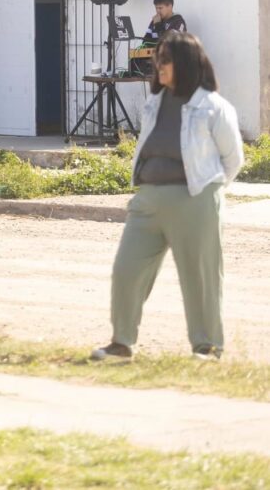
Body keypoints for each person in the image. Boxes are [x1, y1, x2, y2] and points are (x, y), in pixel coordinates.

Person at [91, 32, 243, 363]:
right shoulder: (153, 103)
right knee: (126, 269)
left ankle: (207, 347)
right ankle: (121, 344)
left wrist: (207, 193)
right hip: (148, 200)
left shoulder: (213, 107)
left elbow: (233, 160)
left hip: (196, 199)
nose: (157, 65)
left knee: (200, 276)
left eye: (165, 59)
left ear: (186, 63)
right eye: (157, 58)